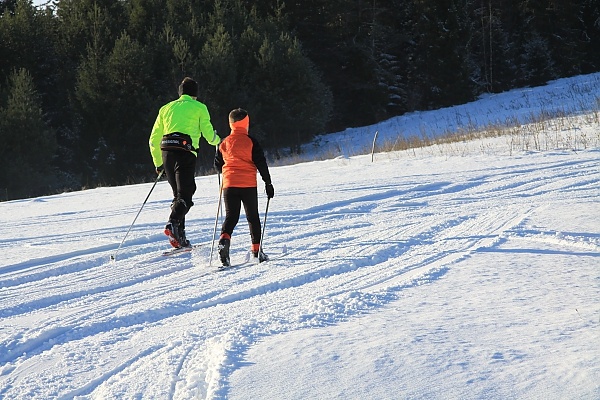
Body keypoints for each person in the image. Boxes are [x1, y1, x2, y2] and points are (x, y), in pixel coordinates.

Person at [149, 77, 221, 248]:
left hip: (166, 152)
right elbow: (208, 134)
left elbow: (153, 139)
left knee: (178, 195)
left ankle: (179, 235)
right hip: (185, 151)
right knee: (187, 192)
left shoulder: (165, 108)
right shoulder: (200, 107)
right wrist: (218, 139)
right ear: (195, 94)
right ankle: (172, 223)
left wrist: (158, 164)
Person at [214, 108, 274, 266]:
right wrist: (268, 183)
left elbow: (217, 166)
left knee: (231, 216)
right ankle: (256, 250)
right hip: (248, 185)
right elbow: (261, 163)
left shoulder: (224, 142)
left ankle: (223, 240)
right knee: (252, 217)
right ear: (246, 123)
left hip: (229, 185)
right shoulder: (251, 141)